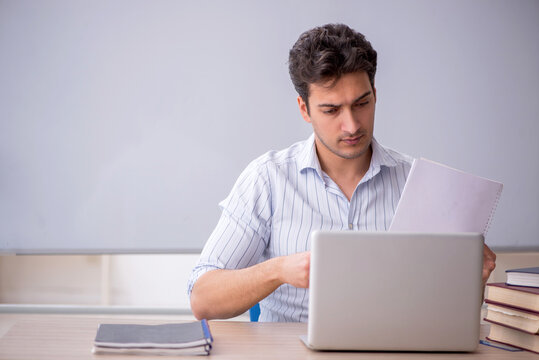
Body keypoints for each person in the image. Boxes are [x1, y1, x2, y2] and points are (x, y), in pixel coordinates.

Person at [187, 23, 496, 322]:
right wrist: (277, 270)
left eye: (361, 103)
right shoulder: (267, 179)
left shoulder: (418, 183)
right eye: (331, 110)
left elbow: (443, 315)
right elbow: (202, 300)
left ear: (375, 94)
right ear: (304, 109)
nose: (351, 125)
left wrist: (473, 282)